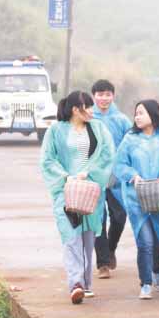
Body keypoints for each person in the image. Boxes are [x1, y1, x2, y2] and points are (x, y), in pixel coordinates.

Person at [40, 91, 115, 305]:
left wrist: (88, 172)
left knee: (88, 238)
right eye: (87, 106)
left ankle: (86, 283)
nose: (91, 110)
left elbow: (107, 155)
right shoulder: (56, 130)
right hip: (65, 191)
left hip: (90, 189)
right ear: (75, 109)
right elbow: (47, 159)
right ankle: (76, 283)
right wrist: (66, 177)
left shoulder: (98, 128)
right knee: (71, 236)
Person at [114, 99, 159, 299]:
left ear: (153, 115)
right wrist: (133, 175)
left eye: (141, 113)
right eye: (136, 113)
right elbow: (119, 164)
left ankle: (157, 269)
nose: (137, 117)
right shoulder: (130, 139)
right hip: (137, 199)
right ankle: (145, 283)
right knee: (145, 242)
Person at [90, 79, 132, 279]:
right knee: (98, 218)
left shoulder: (122, 120)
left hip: (117, 178)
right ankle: (103, 263)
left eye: (108, 94)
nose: (104, 98)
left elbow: (130, 145)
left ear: (113, 96)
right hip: (94, 176)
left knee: (119, 216)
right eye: (100, 94)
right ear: (94, 96)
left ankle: (110, 248)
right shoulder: (88, 118)